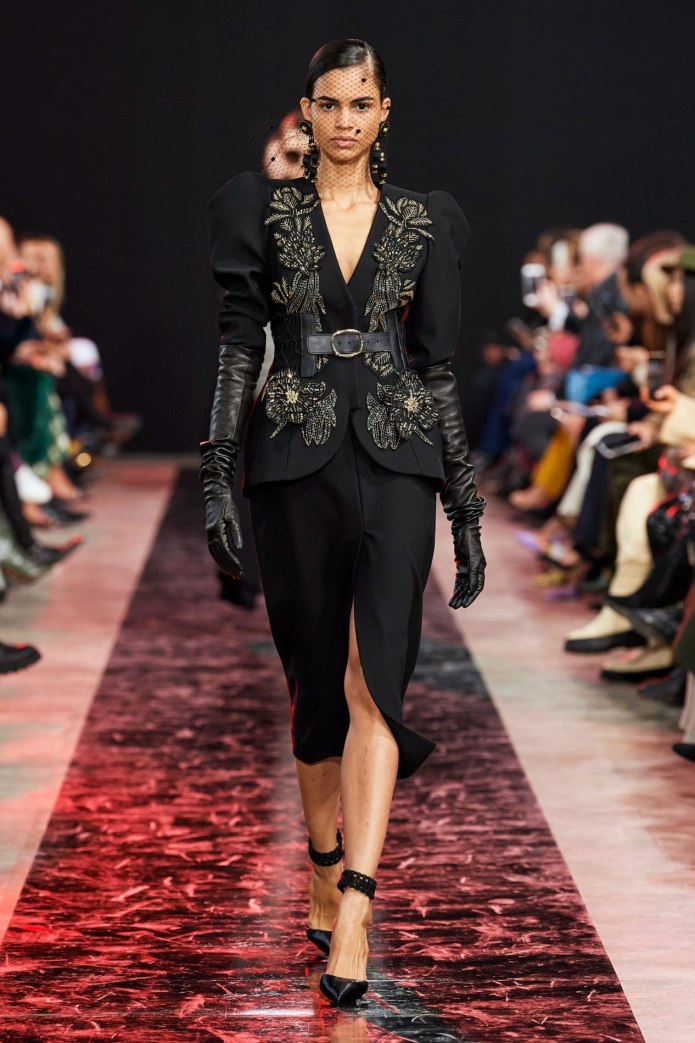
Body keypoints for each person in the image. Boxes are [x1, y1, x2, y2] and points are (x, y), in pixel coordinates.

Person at [200, 38, 485, 1006]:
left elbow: (436, 366)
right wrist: (216, 473)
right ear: (308, 110)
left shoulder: (422, 219)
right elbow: (239, 349)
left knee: (376, 682)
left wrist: (464, 504)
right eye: (329, 104)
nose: (346, 120)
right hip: (292, 460)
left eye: (361, 103)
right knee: (314, 687)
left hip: (398, 458)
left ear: (383, 110)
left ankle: (355, 905)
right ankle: (323, 862)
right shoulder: (261, 210)